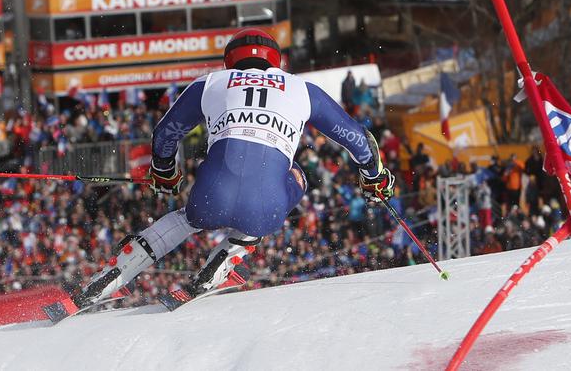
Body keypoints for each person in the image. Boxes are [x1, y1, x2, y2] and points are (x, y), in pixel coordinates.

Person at [71, 28, 395, 308]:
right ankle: (222, 264)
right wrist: (374, 177)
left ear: (229, 60)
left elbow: (165, 134)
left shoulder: (210, 82)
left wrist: (165, 171)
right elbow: (357, 138)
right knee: (296, 174)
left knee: (188, 216)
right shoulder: (302, 88)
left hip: (210, 197)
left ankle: (110, 277)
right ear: (276, 60)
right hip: (264, 209)